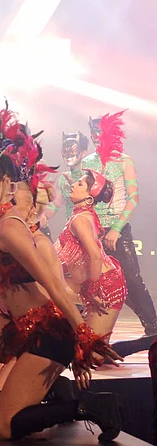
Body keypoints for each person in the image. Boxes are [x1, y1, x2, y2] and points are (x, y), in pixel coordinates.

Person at [0, 108, 121, 441]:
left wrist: (84, 335)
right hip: (20, 327)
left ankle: (87, 406)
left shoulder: (9, 229)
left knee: (2, 429)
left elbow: (53, 285)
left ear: (5, 183)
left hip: (46, 336)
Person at [81, 112, 157, 336]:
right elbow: (84, 197)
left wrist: (116, 229)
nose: (95, 136)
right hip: (92, 230)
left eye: (99, 132)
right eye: (93, 132)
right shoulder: (87, 162)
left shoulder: (124, 161)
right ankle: (93, 334)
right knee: (94, 283)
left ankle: (153, 329)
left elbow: (134, 198)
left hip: (118, 229)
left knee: (132, 281)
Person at [55, 170, 126, 337]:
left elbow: (95, 255)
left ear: (89, 198)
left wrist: (93, 291)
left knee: (95, 348)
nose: (74, 185)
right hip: (90, 283)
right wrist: (76, 185)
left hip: (105, 287)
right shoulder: (83, 213)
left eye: (79, 184)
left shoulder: (80, 220)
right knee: (48, 290)